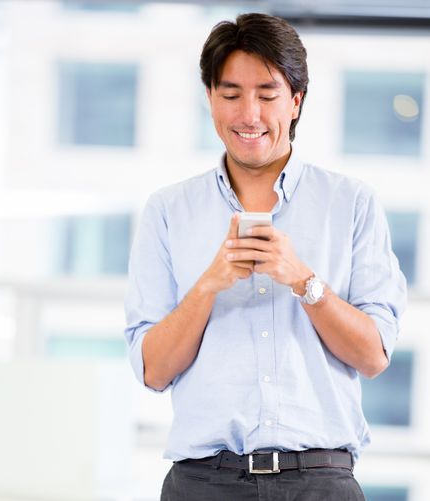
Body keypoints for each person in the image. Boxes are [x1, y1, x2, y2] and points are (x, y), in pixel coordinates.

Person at [124, 12, 407, 500]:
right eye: (231, 94)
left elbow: (374, 354)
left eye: (267, 95)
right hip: (203, 483)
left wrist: (303, 282)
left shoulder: (351, 203)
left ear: (295, 102)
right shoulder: (168, 211)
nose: (248, 114)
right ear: (210, 99)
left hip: (321, 482)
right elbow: (153, 370)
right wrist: (209, 284)